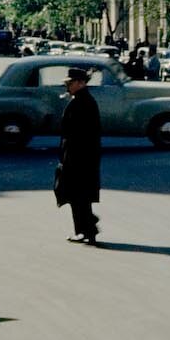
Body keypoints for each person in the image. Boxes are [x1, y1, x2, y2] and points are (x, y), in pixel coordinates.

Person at [55, 67, 101, 245]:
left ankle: (87, 229)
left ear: (81, 83)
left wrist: (70, 157)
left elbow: (81, 133)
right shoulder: (80, 100)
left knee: (78, 194)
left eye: (70, 83)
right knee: (77, 195)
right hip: (78, 155)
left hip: (80, 156)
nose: (67, 86)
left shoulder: (84, 102)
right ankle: (86, 227)